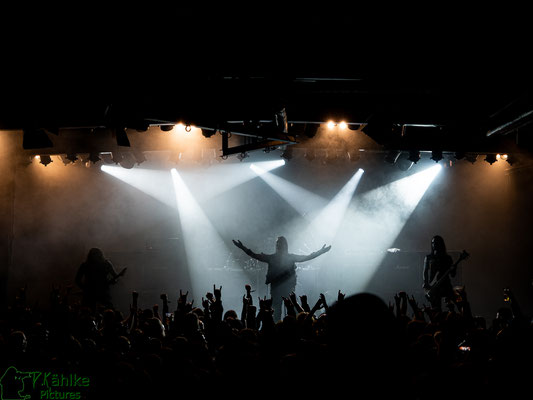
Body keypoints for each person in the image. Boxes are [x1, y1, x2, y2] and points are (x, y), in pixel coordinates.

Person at [232, 236, 331, 321]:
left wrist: (321, 252)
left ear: (284, 245)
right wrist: (242, 247)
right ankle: (279, 328)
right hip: (277, 288)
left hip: (287, 287)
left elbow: (308, 257)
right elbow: (254, 255)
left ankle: (292, 328)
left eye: (280, 243)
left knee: (290, 309)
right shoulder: (273, 258)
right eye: (277, 243)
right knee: (278, 310)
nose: (278, 245)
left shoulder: (288, 257)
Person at [422, 235, 455, 310]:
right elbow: (425, 271)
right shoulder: (428, 257)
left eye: (436, 243)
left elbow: (453, 275)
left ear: (441, 244)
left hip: (446, 285)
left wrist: (453, 269)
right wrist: (425, 282)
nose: (434, 245)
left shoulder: (447, 258)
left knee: (453, 307)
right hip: (433, 286)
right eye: (433, 243)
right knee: (436, 310)